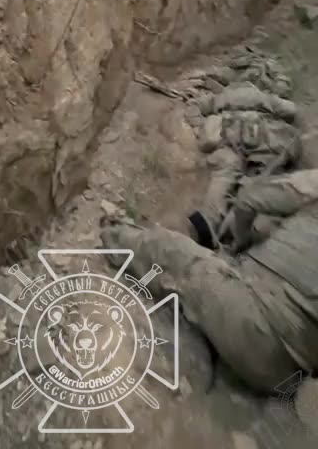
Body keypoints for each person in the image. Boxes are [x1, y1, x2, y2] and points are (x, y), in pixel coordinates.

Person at [101, 168, 318, 394]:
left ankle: (114, 234)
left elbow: (251, 199)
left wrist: (239, 243)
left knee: (173, 254)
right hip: (289, 375)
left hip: (254, 327)